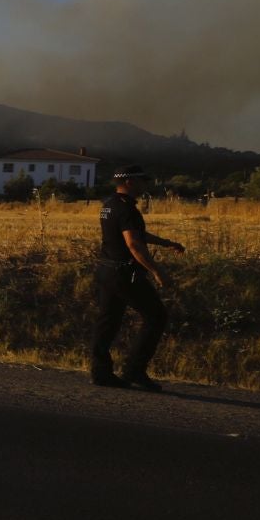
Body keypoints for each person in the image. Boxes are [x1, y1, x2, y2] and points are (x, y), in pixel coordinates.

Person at [90, 164, 185, 391]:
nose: (145, 185)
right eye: (142, 181)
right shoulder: (127, 209)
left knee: (107, 322)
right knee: (156, 317)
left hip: (106, 270)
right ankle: (134, 370)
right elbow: (133, 244)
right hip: (124, 273)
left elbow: (134, 234)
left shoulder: (109, 205)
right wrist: (157, 271)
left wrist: (166, 243)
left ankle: (101, 373)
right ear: (130, 182)